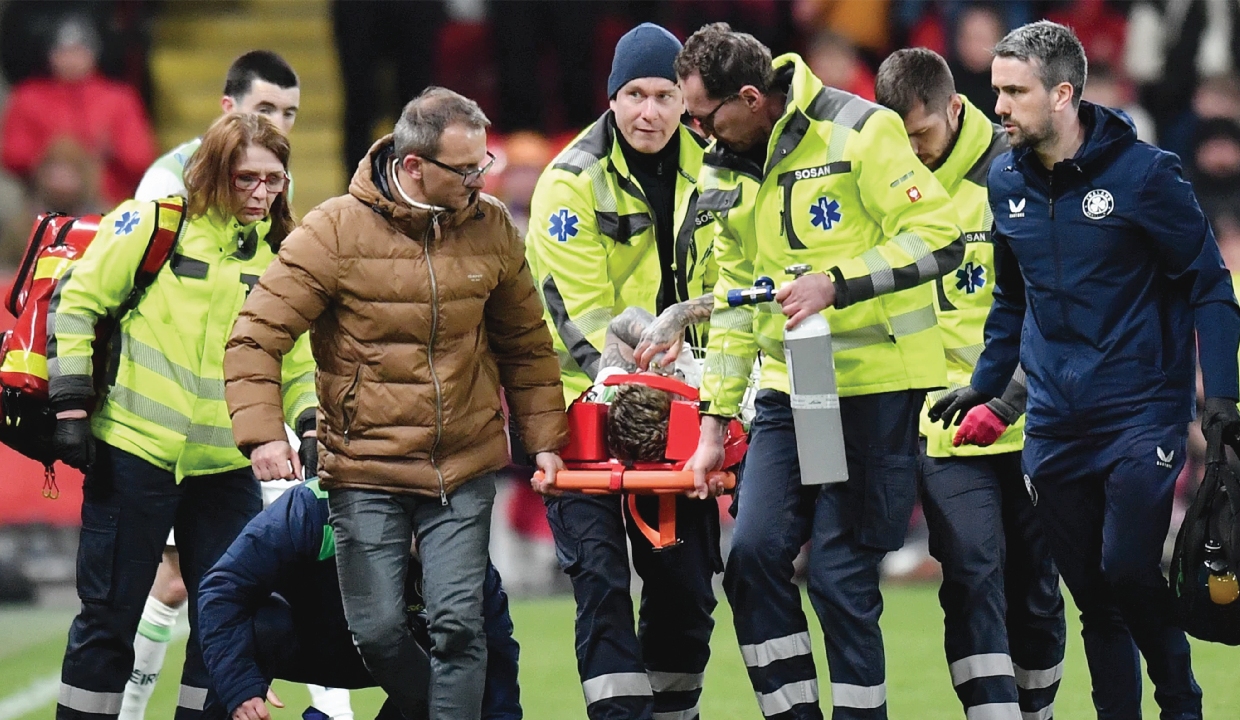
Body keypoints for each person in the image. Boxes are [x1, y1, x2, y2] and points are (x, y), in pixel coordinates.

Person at [222, 86, 568, 720]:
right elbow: (255, 335)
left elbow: (526, 344)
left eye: (482, 164)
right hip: (365, 468)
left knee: (459, 629)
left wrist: (546, 442)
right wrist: (265, 434)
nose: (480, 179)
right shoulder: (333, 230)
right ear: (413, 166)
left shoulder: (491, 227)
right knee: (380, 631)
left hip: (463, 466)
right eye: (465, 169)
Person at [931, 21, 1240, 720]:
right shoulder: (1005, 178)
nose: (998, 107)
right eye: (997, 90)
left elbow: (1210, 286)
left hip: (1140, 413)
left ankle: (1181, 702)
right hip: (1054, 422)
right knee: (1094, 598)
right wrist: (986, 382)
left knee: (1127, 569)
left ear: (1063, 94)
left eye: (1015, 92)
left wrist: (1221, 398)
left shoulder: (1146, 175)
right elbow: (1013, 298)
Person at [673, 22, 965, 720]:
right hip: (792, 389)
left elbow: (940, 237)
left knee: (838, 578)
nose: (695, 131)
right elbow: (735, 300)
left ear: (750, 98)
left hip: (874, 388)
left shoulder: (860, 130)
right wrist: (714, 424)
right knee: (751, 558)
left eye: (703, 116)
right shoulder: (720, 167)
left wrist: (837, 283)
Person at [47, 112, 317, 720]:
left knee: (230, 625)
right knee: (107, 624)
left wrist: (310, 426)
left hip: (224, 469)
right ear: (216, 172)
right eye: (247, 178)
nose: (262, 193)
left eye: (274, 179)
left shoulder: (282, 254)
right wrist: (71, 404)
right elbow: (76, 301)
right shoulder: (154, 223)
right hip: (133, 455)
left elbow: (297, 360)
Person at [523, 23, 723, 720]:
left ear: (686, 100)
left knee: (686, 587)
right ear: (611, 98)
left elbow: (731, 287)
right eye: (635, 94)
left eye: (665, 95)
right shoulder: (570, 182)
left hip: (684, 409)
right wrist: (645, 388)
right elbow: (579, 319)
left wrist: (707, 392)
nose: (650, 112)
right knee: (602, 584)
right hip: (580, 411)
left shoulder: (719, 169)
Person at [874, 47, 1066, 720]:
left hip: (1033, 413)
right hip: (944, 421)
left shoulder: (1022, 172)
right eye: (899, 138)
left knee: (1035, 585)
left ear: (955, 108)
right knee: (972, 570)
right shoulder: (883, 179)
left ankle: (1035, 710)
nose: (912, 151)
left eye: (921, 134)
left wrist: (1013, 395)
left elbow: (1052, 302)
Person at [120, 49, 310, 720]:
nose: (278, 123)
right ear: (229, 110)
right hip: (171, 432)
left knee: (221, 588)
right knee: (191, 586)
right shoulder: (168, 183)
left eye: (290, 113)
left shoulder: (270, 190)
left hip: (232, 433)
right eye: (265, 109)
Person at [198, 479, 520, 720]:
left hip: (391, 655)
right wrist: (239, 686)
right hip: (298, 637)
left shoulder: (457, 545)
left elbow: (495, 647)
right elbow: (222, 588)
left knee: (459, 656)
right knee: (248, 633)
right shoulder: (314, 508)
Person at [0, 15, 156, 206]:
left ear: (93, 54)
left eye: (78, 51)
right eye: (63, 52)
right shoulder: (28, 96)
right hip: (40, 198)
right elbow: (12, 155)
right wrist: (55, 158)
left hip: (105, 198)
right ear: (50, 55)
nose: (71, 59)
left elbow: (140, 158)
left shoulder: (119, 98)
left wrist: (108, 151)